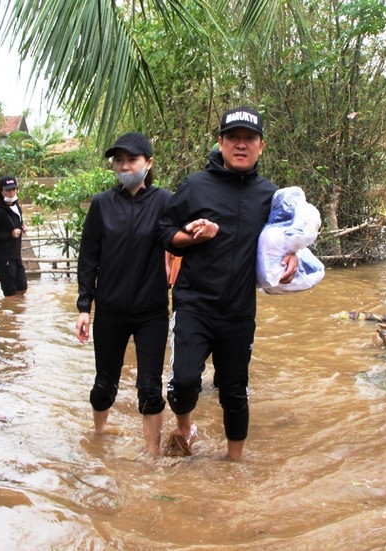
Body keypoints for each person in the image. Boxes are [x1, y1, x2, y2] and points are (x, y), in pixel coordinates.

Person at [158, 106, 298, 461]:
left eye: (249, 138)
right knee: (184, 382)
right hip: (194, 304)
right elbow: (164, 232)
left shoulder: (271, 197)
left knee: (235, 391)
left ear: (261, 146)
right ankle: (184, 425)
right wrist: (191, 238)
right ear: (220, 142)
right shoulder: (195, 186)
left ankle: (235, 466)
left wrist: (293, 256)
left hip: (238, 311)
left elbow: (287, 240)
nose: (241, 144)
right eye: (232, 137)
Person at [75, 132, 172, 456]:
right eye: (119, 161)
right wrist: (84, 307)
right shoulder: (102, 204)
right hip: (111, 310)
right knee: (105, 384)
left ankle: (152, 456)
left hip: (152, 311)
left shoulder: (164, 202)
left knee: (150, 387)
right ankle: (98, 435)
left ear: (149, 163)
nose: (125, 166)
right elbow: (88, 256)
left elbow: (184, 238)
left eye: (132, 160)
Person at [0, 176, 28, 297]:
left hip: (16, 254)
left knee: (22, 288)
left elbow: (14, 222)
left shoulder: (17, 207)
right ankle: (7, 314)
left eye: (14, 189)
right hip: (3, 257)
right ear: (1, 191)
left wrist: (21, 226)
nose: (11, 192)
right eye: (8, 190)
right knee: (10, 293)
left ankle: (17, 313)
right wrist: (10, 234)